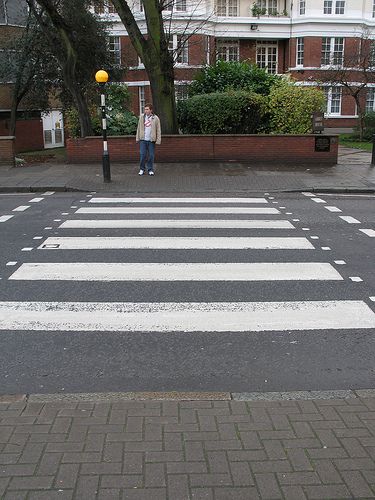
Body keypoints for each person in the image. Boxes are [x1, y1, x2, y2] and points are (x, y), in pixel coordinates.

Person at [135, 103, 161, 176]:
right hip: (143, 140)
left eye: (147, 109)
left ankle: (150, 169)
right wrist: (137, 138)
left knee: (151, 156)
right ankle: (142, 169)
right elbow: (138, 128)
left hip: (151, 140)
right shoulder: (142, 117)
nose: (145, 110)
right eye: (145, 109)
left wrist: (158, 140)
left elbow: (158, 130)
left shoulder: (155, 118)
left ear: (151, 110)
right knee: (142, 155)